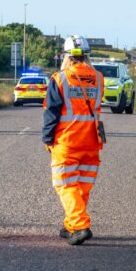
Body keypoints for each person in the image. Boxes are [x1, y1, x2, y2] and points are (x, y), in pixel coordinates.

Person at [42, 35, 104, 245]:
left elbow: (52, 112)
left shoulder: (59, 79)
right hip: (92, 141)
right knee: (81, 186)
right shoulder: (99, 77)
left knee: (66, 185)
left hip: (67, 141)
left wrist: (47, 139)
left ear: (67, 56)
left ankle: (80, 225)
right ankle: (71, 226)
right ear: (87, 55)